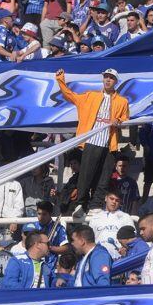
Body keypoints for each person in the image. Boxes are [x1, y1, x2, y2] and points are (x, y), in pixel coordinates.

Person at [56, 68, 129, 215]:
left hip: (109, 144)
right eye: (106, 77)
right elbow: (71, 96)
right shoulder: (91, 95)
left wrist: (119, 121)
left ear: (116, 81)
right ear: (103, 79)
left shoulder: (122, 101)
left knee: (104, 176)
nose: (108, 80)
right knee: (86, 175)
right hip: (92, 140)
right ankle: (80, 205)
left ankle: (95, 205)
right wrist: (60, 80)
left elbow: (126, 121)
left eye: (111, 78)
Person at [88, 191, 134, 259]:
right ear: (106, 198)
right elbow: (89, 239)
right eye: (111, 199)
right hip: (98, 256)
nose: (114, 202)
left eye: (117, 200)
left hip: (119, 257)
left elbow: (132, 237)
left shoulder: (125, 217)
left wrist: (125, 248)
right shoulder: (95, 218)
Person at [33, 200, 69, 267]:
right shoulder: (32, 227)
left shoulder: (59, 228)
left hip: (50, 265)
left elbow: (66, 248)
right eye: (39, 214)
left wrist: (50, 248)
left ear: (50, 214)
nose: (41, 217)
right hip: (33, 264)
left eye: (44, 214)